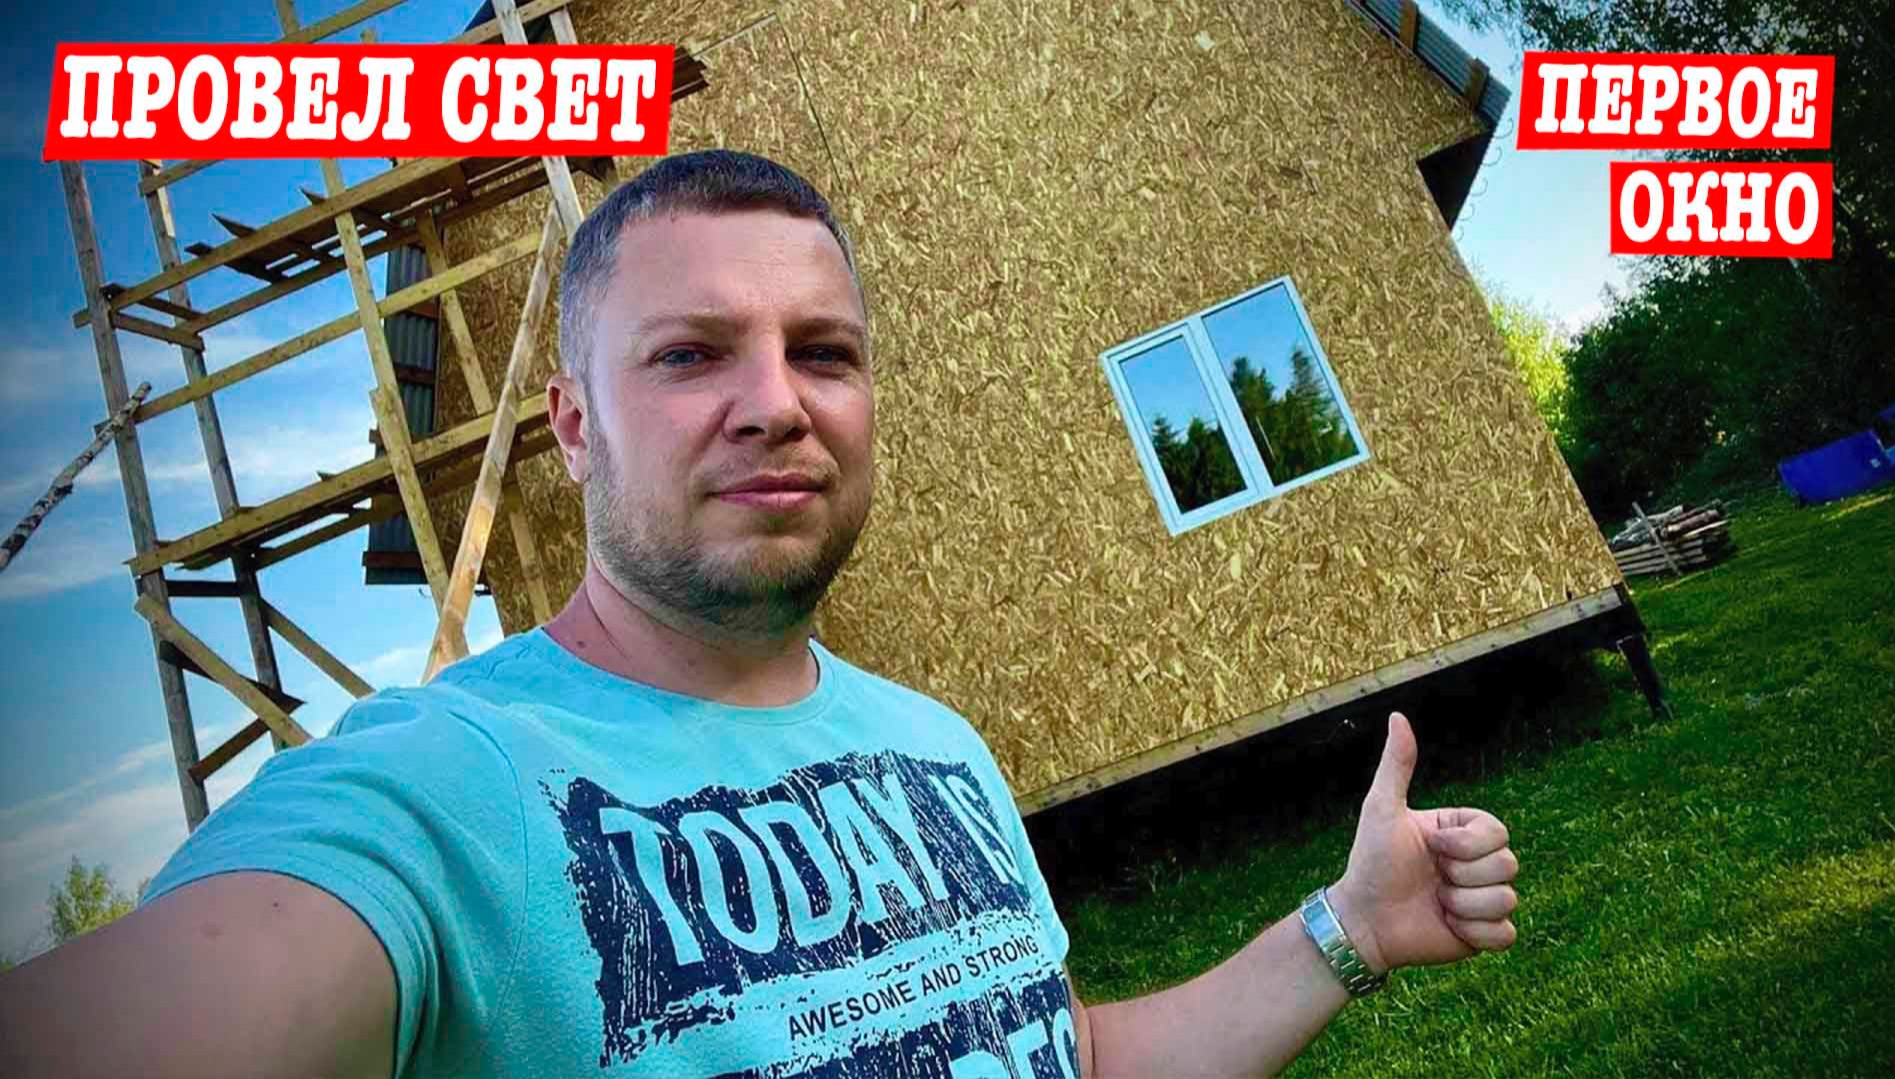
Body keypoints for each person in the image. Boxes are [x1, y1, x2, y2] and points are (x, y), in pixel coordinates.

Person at [0, 150, 1518, 1079]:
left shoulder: (936, 749)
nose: (778, 404)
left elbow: (1072, 1058)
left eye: (824, 353)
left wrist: (1343, 932)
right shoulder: (449, 791)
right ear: (573, 426)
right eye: (690, 355)